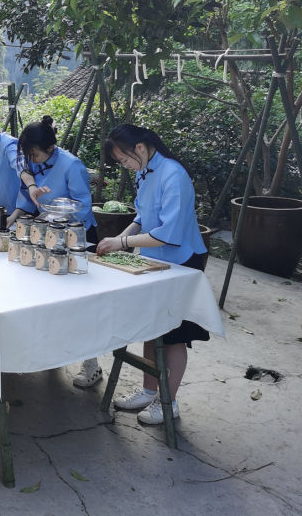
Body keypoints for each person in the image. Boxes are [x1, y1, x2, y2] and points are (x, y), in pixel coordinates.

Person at [95, 124, 209, 425]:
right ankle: (149, 390)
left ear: (141, 148)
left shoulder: (174, 175)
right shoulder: (144, 172)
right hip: (153, 260)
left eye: (125, 159)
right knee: (151, 327)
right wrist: (119, 240)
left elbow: (167, 234)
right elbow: (142, 218)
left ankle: (168, 402)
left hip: (182, 262)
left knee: (174, 335)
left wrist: (122, 242)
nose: (125, 166)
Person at [13, 115, 100, 388]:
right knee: (47, 299)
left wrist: (54, 212)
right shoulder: (32, 161)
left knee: (79, 305)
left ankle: (91, 365)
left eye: (34, 153)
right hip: (48, 236)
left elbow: (83, 207)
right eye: (28, 154)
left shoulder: (72, 165)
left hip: (76, 239)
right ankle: (51, 354)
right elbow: (23, 174)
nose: (30, 158)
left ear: (50, 148)